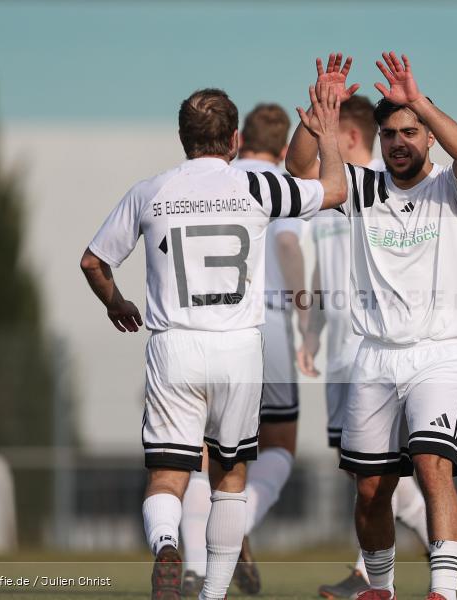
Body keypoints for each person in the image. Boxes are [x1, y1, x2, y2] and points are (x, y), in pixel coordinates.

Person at [80, 86, 346, 600]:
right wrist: (324, 131)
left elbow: (93, 262)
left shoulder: (150, 190)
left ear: (182, 138)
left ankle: (164, 546)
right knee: (231, 477)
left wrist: (117, 303)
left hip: (173, 346)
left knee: (167, 474)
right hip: (238, 350)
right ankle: (212, 594)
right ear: (234, 139)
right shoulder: (257, 187)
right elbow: (333, 189)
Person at [287, 52, 457, 600]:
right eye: (389, 133)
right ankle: (381, 589)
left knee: (431, 464)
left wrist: (421, 101)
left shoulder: (451, 189)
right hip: (374, 355)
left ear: (427, 136)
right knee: (372, 488)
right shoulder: (361, 187)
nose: (399, 141)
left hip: (440, 353)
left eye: (410, 131)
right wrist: (315, 115)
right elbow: (301, 172)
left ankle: (442, 593)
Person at [293, 88, 430, 599]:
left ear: (351, 136)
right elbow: (318, 274)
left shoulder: (384, 185)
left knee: (379, 471)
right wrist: (310, 331)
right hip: (339, 351)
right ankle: (441, 534)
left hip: (377, 349)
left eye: (333, 131)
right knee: (363, 472)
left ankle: (367, 573)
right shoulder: (337, 188)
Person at [179, 102, 312, 595]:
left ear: (238, 138)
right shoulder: (277, 183)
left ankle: (195, 561)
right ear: (283, 148)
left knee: (202, 452)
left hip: (203, 325)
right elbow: (287, 246)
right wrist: (306, 315)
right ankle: (240, 528)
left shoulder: (216, 178)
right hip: (268, 324)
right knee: (278, 446)